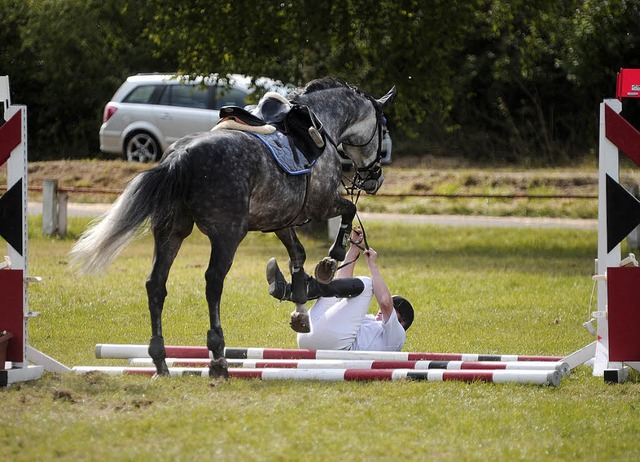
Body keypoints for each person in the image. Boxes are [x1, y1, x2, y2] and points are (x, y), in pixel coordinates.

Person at [266, 228, 414, 351]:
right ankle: (291, 290)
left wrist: (372, 265)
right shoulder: (368, 319)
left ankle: (300, 289)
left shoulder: (397, 335)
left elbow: (386, 303)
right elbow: (341, 286)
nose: (380, 310)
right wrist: (354, 249)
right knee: (338, 293)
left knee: (368, 285)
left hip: (337, 347)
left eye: (396, 308)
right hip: (308, 335)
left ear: (402, 322)